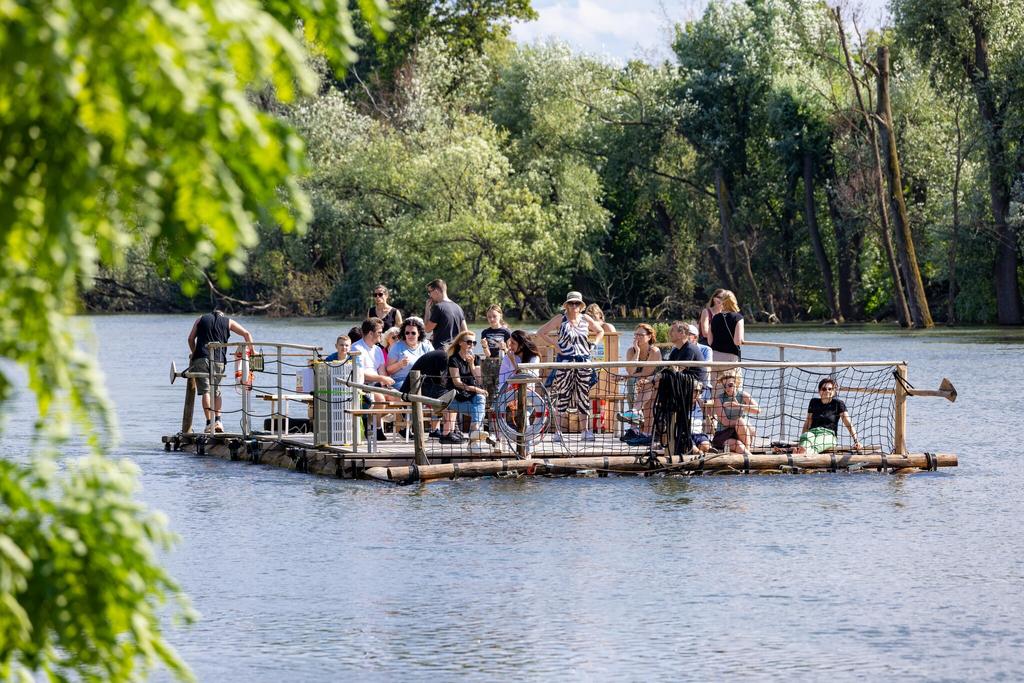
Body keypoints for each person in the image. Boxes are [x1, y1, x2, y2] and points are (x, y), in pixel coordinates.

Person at [536, 291, 604, 442]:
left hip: (583, 361)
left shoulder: (586, 318)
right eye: (571, 303)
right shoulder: (560, 318)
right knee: (562, 396)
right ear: (566, 305)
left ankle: (585, 431)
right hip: (565, 362)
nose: (574, 306)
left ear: (581, 306)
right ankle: (558, 432)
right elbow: (541, 332)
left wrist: (594, 344)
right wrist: (556, 345)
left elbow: (600, 331)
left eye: (577, 303)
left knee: (583, 396)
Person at [187, 310, 253, 434]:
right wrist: (253, 351)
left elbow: (191, 339)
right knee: (217, 390)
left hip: (201, 358)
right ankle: (218, 421)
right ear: (221, 315)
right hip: (219, 360)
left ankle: (209, 423)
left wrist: (194, 353)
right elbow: (246, 334)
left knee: (205, 391)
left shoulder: (200, 318)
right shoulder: (228, 321)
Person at [351, 318, 395, 441]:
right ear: (370, 333)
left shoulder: (378, 349)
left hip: (376, 384)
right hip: (363, 385)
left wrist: (385, 383)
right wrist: (382, 378)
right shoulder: (356, 348)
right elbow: (360, 373)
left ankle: (377, 422)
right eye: (379, 332)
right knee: (380, 399)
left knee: (397, 397)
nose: (382, 335)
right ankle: (376, 429)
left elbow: (381, 369)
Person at [442, 330, 488, 445]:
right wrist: (476, 389)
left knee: (481, 399)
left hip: (472, 396)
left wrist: (472, 365)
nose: (471, 345)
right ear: (460, 343)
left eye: (474, 343)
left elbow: (479, 380)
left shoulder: (475, 358)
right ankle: (475, 435)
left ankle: (474, 430)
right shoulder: (454, 359)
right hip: (457, 396)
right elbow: (457, 382)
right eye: (468, 342)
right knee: (478, 409)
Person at [793, 378, 861, 454]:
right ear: (819, 391)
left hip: (828, 435)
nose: (827, 391)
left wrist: (856, 441)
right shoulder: (813, 402)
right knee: (806, 436)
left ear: (834, 391)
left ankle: (803, 454)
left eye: (830, 389)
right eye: (824, 389)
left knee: (818, 443)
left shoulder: (838, 404)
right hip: (813, 432)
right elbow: (808, 421)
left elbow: (848, 423)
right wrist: (802, 438)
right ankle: (801, 451)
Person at [619, 323, 659, 446]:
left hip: (657, 381)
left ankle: (634, 417)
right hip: (643, 385)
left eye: (641, 335)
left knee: (645, 384)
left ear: (649, 336)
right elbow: (630, 370)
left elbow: (647, 372)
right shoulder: (631, 350)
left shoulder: (654, 351)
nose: (637, 337)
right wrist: (637, 352)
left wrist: (629, 376)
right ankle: (641, 430)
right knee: (638, 384)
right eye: (635, 334)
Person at [398, 348, 448, 438]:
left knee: (442, 394)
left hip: (419, 386)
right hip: (413, 388)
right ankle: (446, 431)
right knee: (446, 396)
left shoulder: (441, 355)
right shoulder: (444, 356)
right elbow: (442, 379)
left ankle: (435, 429)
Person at [712, 373, 759, 455]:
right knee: (739, 444)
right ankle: (752, 461)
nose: (727, 388)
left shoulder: (743, 395)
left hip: (740, 432)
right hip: (723, 434)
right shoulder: (719, 399)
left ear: (736, 384)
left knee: (743, 424)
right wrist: (743, 423)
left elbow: (758, 410)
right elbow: (725, 422)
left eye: (730, 385)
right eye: (725, 386)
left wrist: (739, 406)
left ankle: (748, 460)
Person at [706, 289, 744, 389]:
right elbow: (737, 341)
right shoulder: (738, 318)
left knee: (716, 390)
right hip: (730, 359)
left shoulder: (715, 317)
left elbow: (710, 341)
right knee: (734, 389)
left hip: (715, 358)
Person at [386, 318, 434, 388]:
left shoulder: (426, 346)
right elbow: (388, 370)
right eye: (407, 333)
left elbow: (434, 362)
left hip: (422, 381)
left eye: (413, 333)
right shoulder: (397, 346)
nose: (410, 335)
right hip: (401, 381)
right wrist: (400, 364)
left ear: (419, 333)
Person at [423, 278, 467, 349]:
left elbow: (427, 329)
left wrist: (427, 309)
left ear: (436, 291)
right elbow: (465, 332)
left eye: (430, 292)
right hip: (455, 350)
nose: (430, 295)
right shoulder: (458, 308)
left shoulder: (439, 307)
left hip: (441, 350)